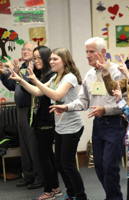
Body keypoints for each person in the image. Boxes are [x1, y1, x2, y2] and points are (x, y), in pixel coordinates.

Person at [49, 37, 125, 200]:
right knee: (99, 167)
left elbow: (125, 104)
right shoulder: (90, 74)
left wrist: (105, 110)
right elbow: (83, 101)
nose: (88, 55)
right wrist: (66, 107)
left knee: (109, 167)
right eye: (86, 52)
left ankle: (114, 197)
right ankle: (112, 196)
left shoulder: (117, 72)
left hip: (115, 124)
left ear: (103, 53)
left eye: (91, 52)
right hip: (98, 125)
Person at [10, 48, 87, 200]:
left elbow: (56, 95)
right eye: (50, 59)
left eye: (55, 59)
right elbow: (38, 92)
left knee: (68, 165)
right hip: (60, 127)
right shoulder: (56, 77)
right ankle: (71, 193)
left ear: (64, 61)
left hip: (72, 128)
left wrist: (36, 80)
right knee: (60, 164)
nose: (51, 61)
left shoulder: (69, 77)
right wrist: (21, 80)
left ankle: (81, 195)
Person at [0, 42, 44, 189]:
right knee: (24, 146)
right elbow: (13, 86)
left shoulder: (35, 68)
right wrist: (3, 75)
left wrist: (14, 72)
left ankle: (39, 177)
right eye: (23, 49)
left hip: (30, 109)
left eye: (28, 49)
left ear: (35, 52)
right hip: (20, 110)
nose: (24, 51)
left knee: (33, 145)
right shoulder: (23, 67)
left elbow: (29, 85)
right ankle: (28, 176)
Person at [30, 46, 63, 200]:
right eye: (34, 58)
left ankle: (49, 191)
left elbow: (38, 92)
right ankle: (55, 188)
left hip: (47, 121)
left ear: (45, 58)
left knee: (45, 157)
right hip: (42, 120)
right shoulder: (43, 74)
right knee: (47, 156)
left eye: (38, 57)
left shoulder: (49, 75)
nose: (36, 61)